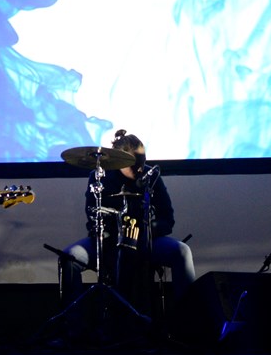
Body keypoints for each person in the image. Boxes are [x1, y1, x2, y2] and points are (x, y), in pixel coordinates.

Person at [61, 129, 195, 316]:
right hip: (107, 243)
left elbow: (167, 218)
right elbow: (92, 218)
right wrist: (116, 237)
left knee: (182, 251)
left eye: (143, 162)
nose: (140, 168)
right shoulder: (100, 177)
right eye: (135, 164)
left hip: (145, 241)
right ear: (120, 161)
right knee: (70, 257)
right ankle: (74, 325)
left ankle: (189, 319)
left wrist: (143, 233)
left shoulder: (151, 176)